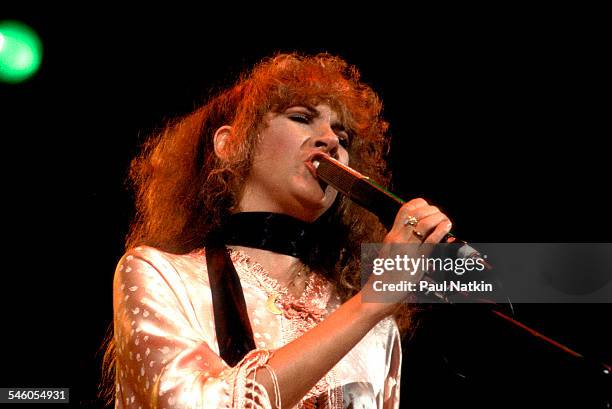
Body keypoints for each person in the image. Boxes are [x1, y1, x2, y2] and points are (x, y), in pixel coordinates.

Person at [104, 52, 452, 409]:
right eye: (301, 118)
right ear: (230, 144)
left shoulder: (378, 328)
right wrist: (371, 302)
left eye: (343, 138)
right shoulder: (161, 275)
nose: (331, 141)